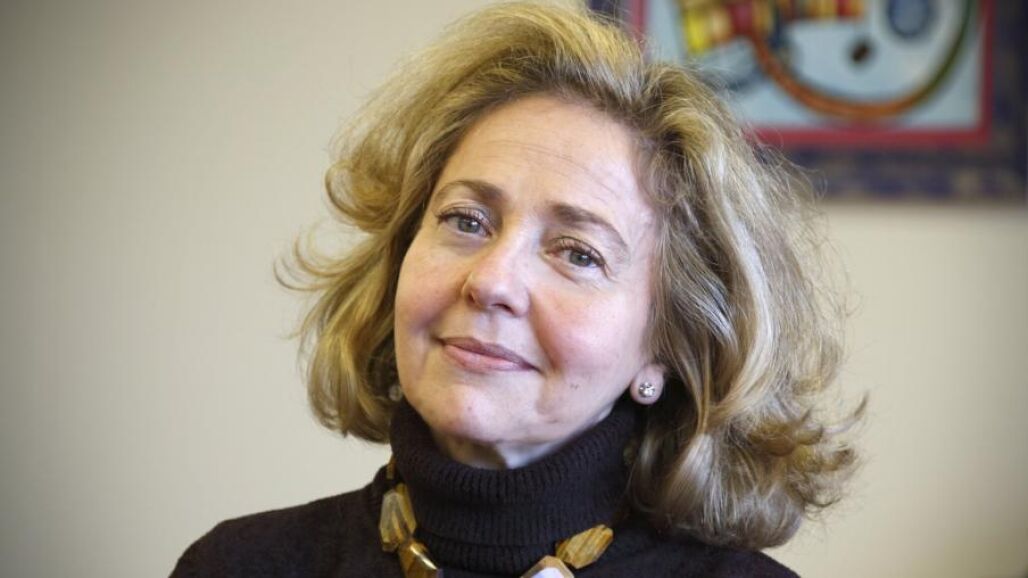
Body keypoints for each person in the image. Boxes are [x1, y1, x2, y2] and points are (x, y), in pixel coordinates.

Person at [172, 2, 860, 576]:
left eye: (578, 253)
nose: (492, 280)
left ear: (665, 347)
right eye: (466, 220)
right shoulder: (236, 565)